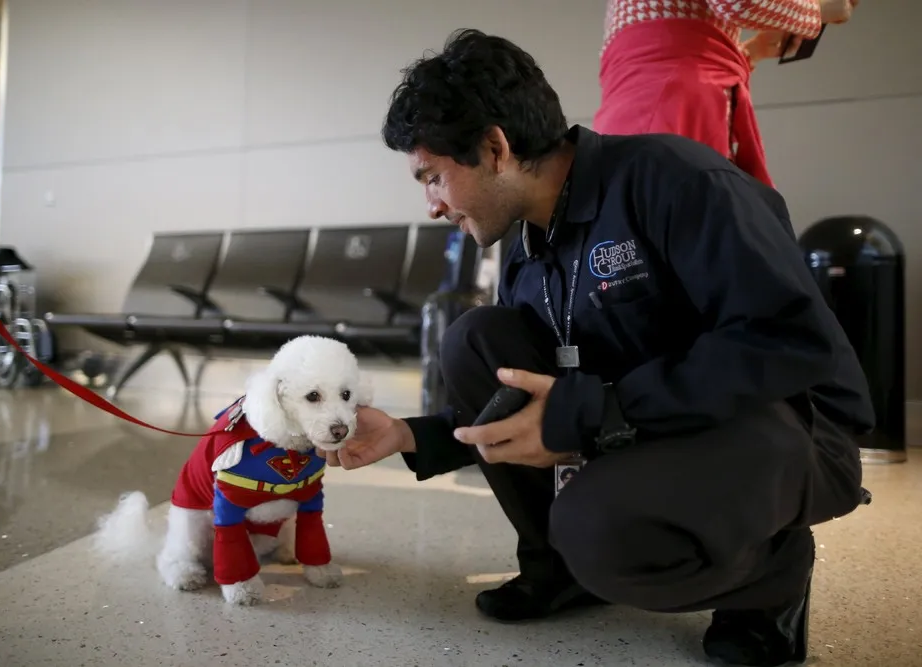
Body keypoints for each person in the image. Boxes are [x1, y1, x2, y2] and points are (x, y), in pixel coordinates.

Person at [322, 29, 874, 667]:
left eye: (434, 177)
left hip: (788, 426)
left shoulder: (676, 181)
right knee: (476, 340)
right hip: (667, 419)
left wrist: (598, 411)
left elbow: (789, 341)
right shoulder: (528, 245)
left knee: (596, 528)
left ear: (494, 148)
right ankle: (561, 572)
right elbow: (534, 398)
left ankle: (768, 578)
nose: (432, 206)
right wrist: (409, 435)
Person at [593, 0, 861, 187]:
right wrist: (819, 8)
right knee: (687, 239)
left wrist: (752, 53)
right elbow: (738, 3)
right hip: (672, 104)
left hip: (655, 103)